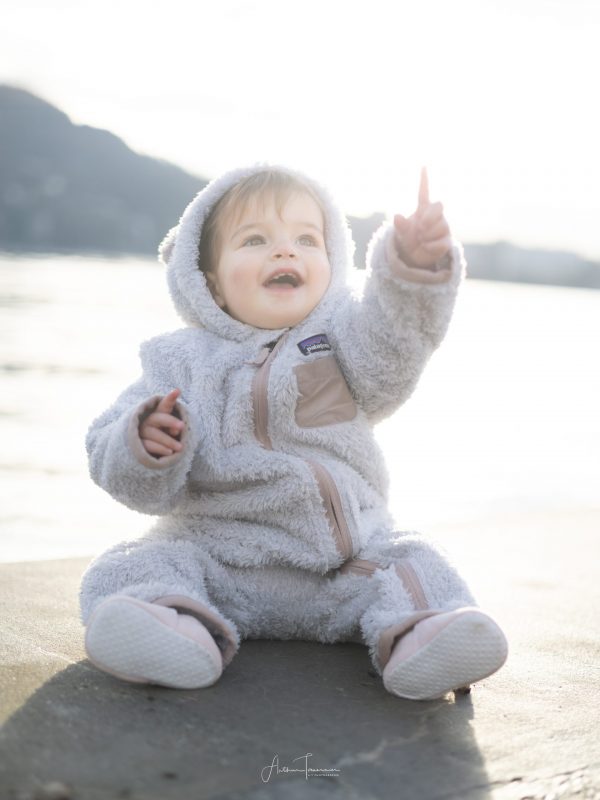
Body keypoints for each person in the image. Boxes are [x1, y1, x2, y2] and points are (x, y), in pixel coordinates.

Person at [80, 164, 508, 700]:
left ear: (332, 261)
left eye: (307, 239)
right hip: (221, 563)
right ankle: (173, 630)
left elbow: (396, 342)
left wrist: (413, 271)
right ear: (207, 280)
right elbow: (113, 460)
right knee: (129, 566)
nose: (285, 251)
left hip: (345, 565)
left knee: (415, 561)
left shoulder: (346, 339)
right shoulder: (178, 362)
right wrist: (142, 443)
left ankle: (424, 638)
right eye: (255, 240)